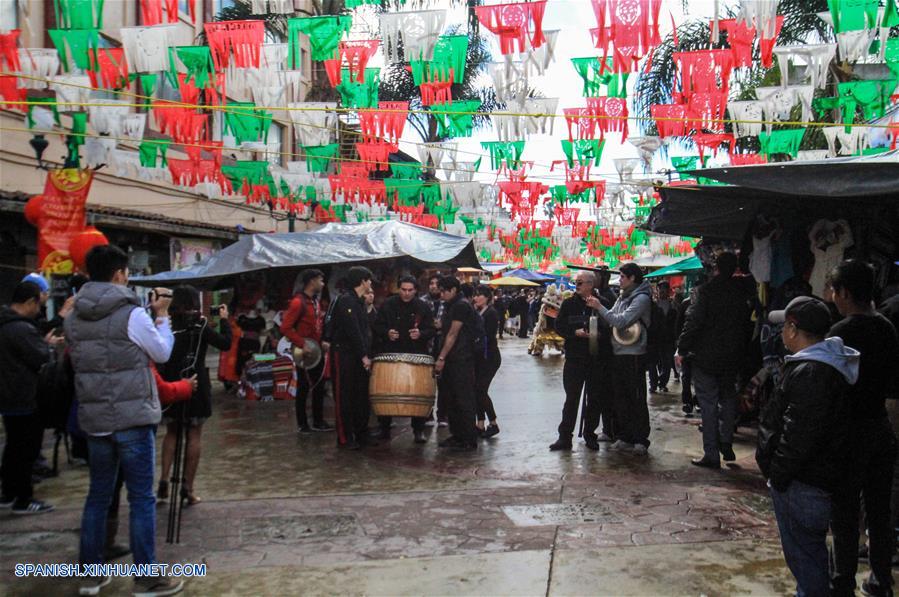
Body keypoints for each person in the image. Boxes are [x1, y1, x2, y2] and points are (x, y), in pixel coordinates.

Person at [65, 245, 183, 596]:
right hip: (132, 418)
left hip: (95, 417)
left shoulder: (72, 316)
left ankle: (91, 574)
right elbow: (162, 351)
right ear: (120, 274)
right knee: (141, 498)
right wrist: (162, 316)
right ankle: (146, 577)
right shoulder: (132, 314)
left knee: (98, 496)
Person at [757, 296, 859, 597]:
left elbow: (799, 435)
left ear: (792, 328)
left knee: (806, 559)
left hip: (803, 483)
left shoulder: (811, 372)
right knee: (812, 556)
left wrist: (778, 474)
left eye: (783, 327)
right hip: (814, 479)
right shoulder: (822, 365)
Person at [826, 260, 899, 597]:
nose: (832, 296)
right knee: (879, 509)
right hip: (880, 428)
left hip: (850, 431)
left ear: (845, 292)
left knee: (844, 509)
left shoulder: (841, 333)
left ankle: (843, 581)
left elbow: (830, 388)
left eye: (834, 290)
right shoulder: (887, 327)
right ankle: (882, 579)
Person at [158, 285, 232, 506]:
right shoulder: (199, 326)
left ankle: (163, 480)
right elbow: (225, 344)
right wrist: (224, 320)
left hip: (171, 384)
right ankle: (188, 488)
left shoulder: (166, 324)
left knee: (172, 432)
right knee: (194, 434)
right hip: (196, 385)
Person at [676, 253, 751, 468]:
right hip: (733, 356)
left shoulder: (706, 291)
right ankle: (726, 441)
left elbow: (694, 322)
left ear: (716, 267)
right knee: (728, 399)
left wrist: (682, 347)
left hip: (707, 356)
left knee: (708, 403)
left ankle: (711, 453)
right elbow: (747, 325)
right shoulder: (742, 292)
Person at [0, 281, 60, 514]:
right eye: (39, 302)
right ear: (29, 302)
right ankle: (24, 498)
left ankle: (9, 493)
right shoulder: (21, 329)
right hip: (24, 396)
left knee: (13, 447)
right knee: (25, 449)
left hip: (9, 396)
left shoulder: (6, 324)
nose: (40, 309)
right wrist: (48, 348)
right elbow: (40, 356)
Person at [591, 262, 653, 455]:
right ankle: (625, 436)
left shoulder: (641, 298)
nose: (620, 280)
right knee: (620, 397)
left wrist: (600, 306)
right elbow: (614, 319)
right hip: (618, 352)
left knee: (635, 397)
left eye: (623, 277)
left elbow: (621, 320)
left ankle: (640, 439)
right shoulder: (622, 297)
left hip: (634, 354)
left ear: (632, 278)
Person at [551, 271, 615, 451]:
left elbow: (612, 327)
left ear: (590, 284)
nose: (577, 285)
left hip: (596, 359)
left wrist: (599, 334)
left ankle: (590, 434)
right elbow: (559, 326)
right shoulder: (569, 304)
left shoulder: (603, 304)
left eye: (580, 282)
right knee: (571, 399)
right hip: (575, 359)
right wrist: (574, 333)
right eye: (576, 282)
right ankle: (565, 437)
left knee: (594, 399)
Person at [372, 276, 435, 444]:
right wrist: (387, 333)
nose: (406, 293)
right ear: (398, 289)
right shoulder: (388, 304)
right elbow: (377, 325)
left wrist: (421, 334)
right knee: (387, 389)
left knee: (417, 391)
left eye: (410, 290)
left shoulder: (423, 307)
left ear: (415, 290)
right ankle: (384, 428)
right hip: (391, 354)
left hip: (416, 356)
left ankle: (418, 430)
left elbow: (431, 329)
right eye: (403, 290)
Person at [324, 266, 375, 449]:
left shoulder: (359, 302)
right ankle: (345, 437)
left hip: (358, 356)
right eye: (369, 280)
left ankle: (361, 432)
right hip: (344, 354)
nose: (370, 284)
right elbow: (353, 331)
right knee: (344, 396)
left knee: (360, 396)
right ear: (362, 281)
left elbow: (363, 331)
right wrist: (363, 355)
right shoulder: (346, 301)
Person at [280, 269, 332, 433]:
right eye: (320, 280)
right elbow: (285, 327)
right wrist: (302, 344)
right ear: (312, 282)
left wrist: (322, 341)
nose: (323, 284)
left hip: (316, 351)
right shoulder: (298, 303)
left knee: (319, 385)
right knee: (303, 387)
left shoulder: (315, 301)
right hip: (303, 352)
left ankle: (318, 420)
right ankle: (303, 424)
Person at [434, 276, 479, 451]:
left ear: (453, 290)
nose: (441, 294)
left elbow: (453, 334)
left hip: (461, 359)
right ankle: (458, 435)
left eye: (444, 291)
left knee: (463, 398)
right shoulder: (452, 305)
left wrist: (441, 358)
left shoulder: (460, 305)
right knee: (451, 398)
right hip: (454, 359)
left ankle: (468, 438)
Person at [472, 286, 501, 438]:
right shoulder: (476, 312)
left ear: (487, 297)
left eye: (480, 295)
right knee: (477, 390)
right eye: (475, 295)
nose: (476, 298)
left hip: (489, 357)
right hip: (479, 358)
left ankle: (493, 423)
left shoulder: (491, 313)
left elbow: (488, 336)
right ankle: (480, 423)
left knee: (480, 390)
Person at [647, 281, 677, 394]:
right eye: (661, 289)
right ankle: (653, 384)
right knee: (652, 363)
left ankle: (662, 382)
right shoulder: (652, 306)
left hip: (668, 339)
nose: (663, 292)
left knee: (667, 363)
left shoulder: (673, 305)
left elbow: (676, 323)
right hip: (654, 339)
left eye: (665, 289)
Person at [675, 288, 696, 415]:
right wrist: (679, 343)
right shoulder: (686, 304)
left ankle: (696, 401)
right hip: (687, 347)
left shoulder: (704, 305)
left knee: (697, 376)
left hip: (698, 348)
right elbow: (679, 324)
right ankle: (687, 401)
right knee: (686, 375)